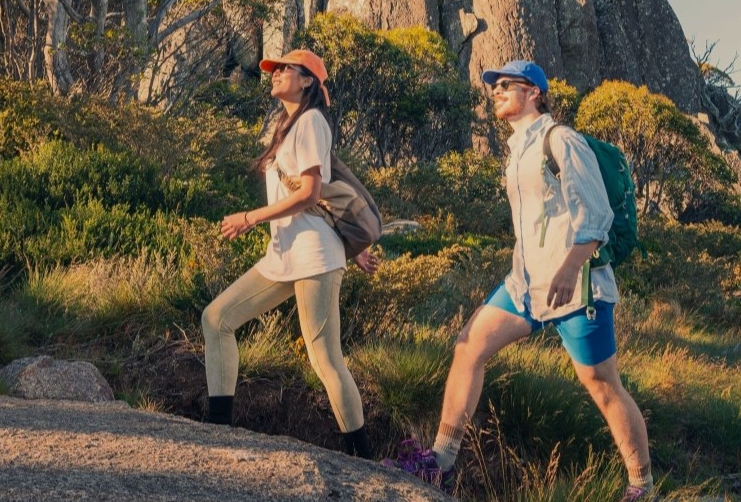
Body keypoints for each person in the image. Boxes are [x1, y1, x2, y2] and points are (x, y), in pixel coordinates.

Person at [384, 60, 654, 500]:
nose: (496, 91)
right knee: (469, 345)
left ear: (534, 92)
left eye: (505, 84)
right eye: (493, 86)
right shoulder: (516, 151)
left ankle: (641, 486)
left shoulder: (561, 140)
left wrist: (569, 269)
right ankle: (441, 464)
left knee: (603, 386)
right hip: (525, 286)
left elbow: (597, 214)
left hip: (577, 285)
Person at [203, 49, 380, 459]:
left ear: (307, 81)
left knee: (325, 360)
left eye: (286, 69)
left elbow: (311, 193)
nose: (276, 73)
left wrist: (249, 217)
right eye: (274, 69)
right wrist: (353, 251)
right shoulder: (288, 125)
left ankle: (362, 458)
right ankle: (217, 431)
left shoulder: (313, 121)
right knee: (216, 319)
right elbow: (316, 202)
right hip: (284, 254)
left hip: (314, 256)